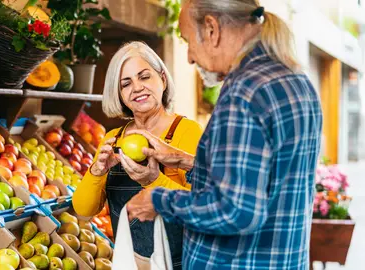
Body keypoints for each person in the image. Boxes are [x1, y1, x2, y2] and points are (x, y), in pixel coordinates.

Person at [125, 1, 323, 269]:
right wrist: (184, 160)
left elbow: (236, 210)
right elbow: (263, 180)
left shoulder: (244, 92)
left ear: (211, 29)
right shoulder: (297, 81)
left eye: (187, 42)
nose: (190, 58)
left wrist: (157, 200)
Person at [72, 41, 203, 269]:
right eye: (126, 83)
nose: (137, 87)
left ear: (162, 78)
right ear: (119, 93)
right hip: (129, 261)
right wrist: (96, 172)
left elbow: (202, 209)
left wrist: (154, 181)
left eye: (144, 77)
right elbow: (84, 210)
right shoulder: (114, 138)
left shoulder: (187, 132)